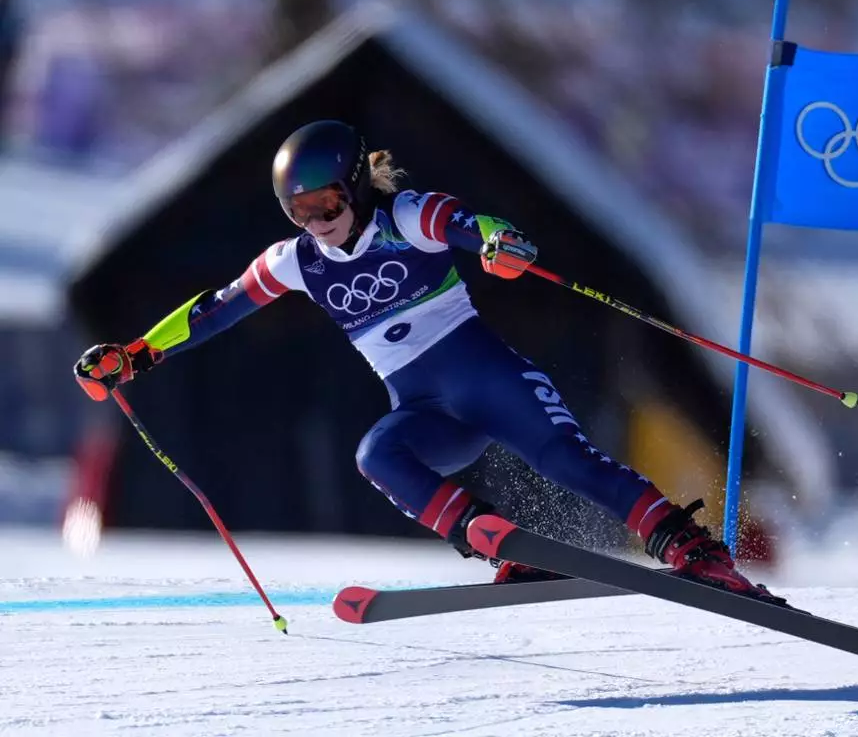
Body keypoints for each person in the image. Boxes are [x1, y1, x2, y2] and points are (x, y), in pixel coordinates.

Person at [72, 120, 783, 603]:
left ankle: (691, 548)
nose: (316, 222)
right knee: (377, 454)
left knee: (567, 462)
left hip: (491, 381)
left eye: (324, 204)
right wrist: (136, 356)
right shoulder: (295, 262)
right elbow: (214, 310)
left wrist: (501, 246)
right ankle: (502, 543)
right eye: (298, 211)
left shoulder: (404, 216)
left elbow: (472, 227)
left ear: (351, 187)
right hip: (427, 412)